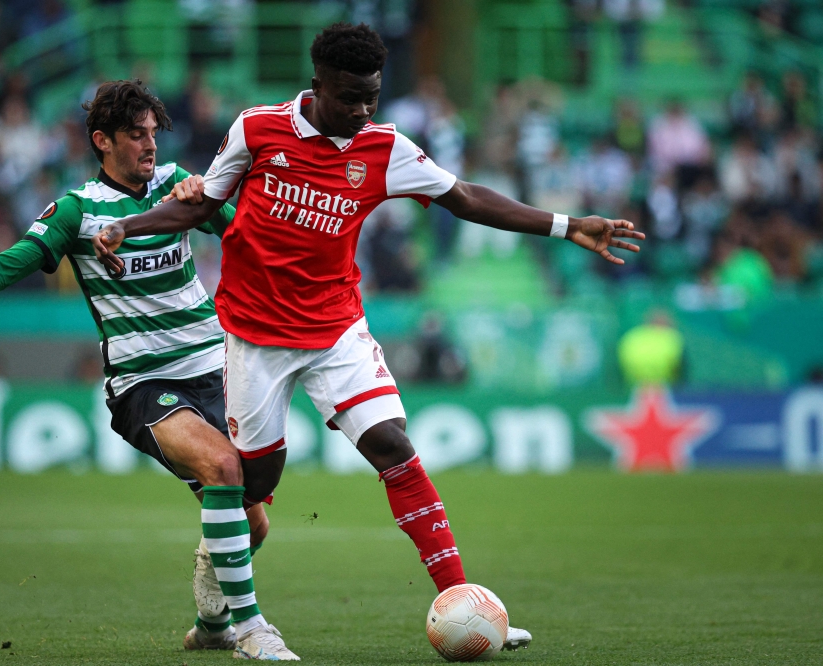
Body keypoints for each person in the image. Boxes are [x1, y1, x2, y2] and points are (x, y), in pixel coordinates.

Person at [92, 23, 645, 650]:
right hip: (254, 337)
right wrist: (130, 225)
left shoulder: (385, 148)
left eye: (372, 97)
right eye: (349, 96)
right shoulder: (257, 129)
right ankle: (218, 612)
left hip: (335, 331)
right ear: (317, 85)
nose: (361, 109)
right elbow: (199, 204)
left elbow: (463, 197)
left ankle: (464, 599)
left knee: (392, 444)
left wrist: (566, 225)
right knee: (255, 488)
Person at [0, 80, 298, 661]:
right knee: (222, 466)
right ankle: (253, 630)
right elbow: (14, 262)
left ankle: (212, 625)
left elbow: (245, 233)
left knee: (252, 525)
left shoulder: (176, 186)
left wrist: (209, 200)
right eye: (136, 136)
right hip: (144, 382)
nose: (150, 146)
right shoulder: (78, 210)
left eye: (154, 134)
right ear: (102, 140)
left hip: (217, 368)